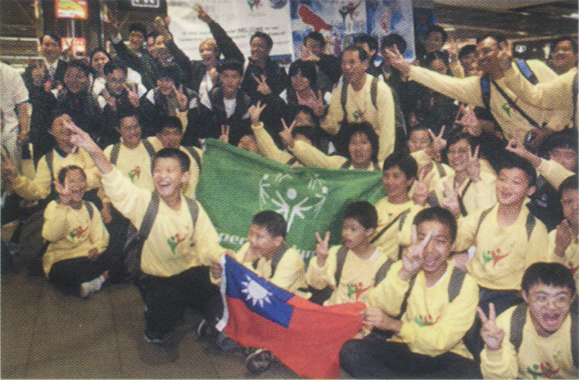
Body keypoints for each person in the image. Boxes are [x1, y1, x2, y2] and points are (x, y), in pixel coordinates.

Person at [65, 120, 226, 345]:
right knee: (159, 331)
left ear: (185, 177)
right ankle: (156, 311)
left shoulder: (193, 208)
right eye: (157, 171)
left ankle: (215, 323)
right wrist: (92, 148)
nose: (162, 176)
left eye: (170, 170)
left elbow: (209, 242)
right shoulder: (143, 202)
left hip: (187, 271)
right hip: (157, 277)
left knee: (216, 292)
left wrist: (216, 261)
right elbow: (114, 179)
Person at [340, 207, 481, 379]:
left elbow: (442, 341)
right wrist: (405, 274)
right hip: (404, 349)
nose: (429, 249)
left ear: (452, 246)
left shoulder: (464, 284)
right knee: (351, 351)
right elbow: (377, 307)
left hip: (444, 356)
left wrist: (396, 325)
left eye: (440, 241)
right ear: (413, 240)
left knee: (469, 374)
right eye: (422, 239)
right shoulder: (402, 267)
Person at [385, 32, 570, 142]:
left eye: (487, 51)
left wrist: (548, 131)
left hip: (555, 141)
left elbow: (567, 101)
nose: (481, 57)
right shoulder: (480, 87)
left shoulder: (532, 69)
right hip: (519, 152)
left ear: (504, 48)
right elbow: (445, 84)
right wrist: (409, 69)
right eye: (478, 53)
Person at [453, 154, 550, 358]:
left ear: (530, 191)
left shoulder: (535, 229)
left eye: (516, 182)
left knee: (487, 348)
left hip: (506, 297)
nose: (506, 186)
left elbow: (534, 278)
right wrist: (451, 218)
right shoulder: (483, 215)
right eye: (502, 179)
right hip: (471, 286)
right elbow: (456, 241)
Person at [208, 210, 307, 372]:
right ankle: (250, 342)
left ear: (277, 241)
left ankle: (260, 347)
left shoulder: (290, 259)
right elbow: (231, 285)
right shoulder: (251, 247)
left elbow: (268, 299)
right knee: (212, 303)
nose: (251, 240)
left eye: (259, 236)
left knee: (283, 328)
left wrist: (245, 264)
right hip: (254, 306)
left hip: (281, 311)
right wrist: (217, 272)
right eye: (251, 233)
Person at [479, 262, 577, 379]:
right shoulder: (507, 325)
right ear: (525, 296)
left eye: (561, 299)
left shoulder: (575, 331)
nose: (551, 306)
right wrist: (494, 351)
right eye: (541, 298)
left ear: (572, 299)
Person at [1, 113, 101, 207]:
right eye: (60, 124)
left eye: (69, 122)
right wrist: (16, 178)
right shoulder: (47, 160)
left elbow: (101, 179)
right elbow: (38, 192)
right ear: (50, 131)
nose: (66, 127)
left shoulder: (89, 150)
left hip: (92, 206)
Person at [42, 166, 111, 298]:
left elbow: (101, 236)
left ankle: (92, 283)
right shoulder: (54, 206)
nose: (78, 186)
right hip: (62, 261)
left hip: (86, 257)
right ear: (61, 186)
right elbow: (51, 236)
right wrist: (63, 206)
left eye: (81, 180)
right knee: (64, 272)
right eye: (71, 182)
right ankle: (101, 279)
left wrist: (96, 249)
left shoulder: (90, 207)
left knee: (117, 255)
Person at [321, 45, 395, 163]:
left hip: (378, 151)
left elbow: (387, 134)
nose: (347, 67)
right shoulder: (340, 92)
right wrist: (321, 116)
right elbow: (334, 130)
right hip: (354, 152)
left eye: (352, 62)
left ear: (365, 64)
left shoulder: (380, 90)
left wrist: (382, 166)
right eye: (343, 63)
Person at [306, 201, 388, 306]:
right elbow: (316, 284)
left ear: (369, 231)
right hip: (331, 315)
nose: (346, 233)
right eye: (345, 227)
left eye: (353, 229)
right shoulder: (337, 253)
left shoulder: (384, 265)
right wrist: (321, 260)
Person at [372, 152, 422, 261]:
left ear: (410, 180)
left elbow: (407, 240)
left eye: (396, 176)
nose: (389, 182)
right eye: (386, 175)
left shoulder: (418, 210)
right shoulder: (377, 206)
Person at [435, 132, 496, 217]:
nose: (456, 156)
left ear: (474, 152)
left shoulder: (488, 181)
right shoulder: (443, 183)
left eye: (462, 151)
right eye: (451, 152)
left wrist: (477, 180)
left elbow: (487, 217)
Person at [282, 121, 381, 171]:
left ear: (372, 146)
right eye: (353, 143)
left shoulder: (381, 171)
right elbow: (317, 158)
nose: (358, 148)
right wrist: (293, 144)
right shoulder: (339, 164)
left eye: (363, 143)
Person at [198, 60, 252, 147]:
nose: (230, 80)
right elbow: (203, 129)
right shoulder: (209, 98)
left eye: (234, 77)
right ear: (220, 78)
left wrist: (229, 141)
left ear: (241, 79)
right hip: (212, 143)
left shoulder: (246, 101)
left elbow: (244, 132)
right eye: (225, 76)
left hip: (236, 146)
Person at [148, 116, 202, 199]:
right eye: (167, 134)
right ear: (159, 136)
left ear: (181, 135)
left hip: (192, 207)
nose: (172, 138)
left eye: (175, 133)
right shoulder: (154, 162)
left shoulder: (195, 154)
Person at [548, 175, 578, 292]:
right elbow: (547, 282)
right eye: (569, 201)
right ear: (562, 204)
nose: (575, 207)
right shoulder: (553, 236)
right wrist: (559, 249)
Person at [0, 62, 30, 171]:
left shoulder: (10, 73)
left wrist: (24, 131)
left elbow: (22, 105)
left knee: (13, 172)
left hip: (9, 131)